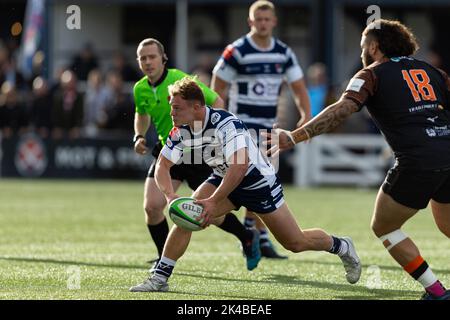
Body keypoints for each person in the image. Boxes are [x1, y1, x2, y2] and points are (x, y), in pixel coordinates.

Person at [266, 19, 450, 300]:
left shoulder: (370, 74)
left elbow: (342, 109)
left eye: (364, 46)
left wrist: (295, 136)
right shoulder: (433, 72)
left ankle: (437, 292)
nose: (362, 52)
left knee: (384, 227)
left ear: (374, 47)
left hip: (417, 159)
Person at [129, 77, 361, 292]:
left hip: (257, 183)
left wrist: (213, 201)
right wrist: (170, 196)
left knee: (295, 242)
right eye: (172, 107)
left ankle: (341, 245)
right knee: (189, 216)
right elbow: (163, 166)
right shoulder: (181, 129)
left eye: (177, 107)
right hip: (223, 176)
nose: (172, 112)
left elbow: (240, 168)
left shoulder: (226, 124)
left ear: (197, 107)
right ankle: (160, 277)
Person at [132, 38, 260, 272]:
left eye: (152, 57)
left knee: (206, 212)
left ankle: (246, 236)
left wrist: (213, 137)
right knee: (152, 207)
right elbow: (141, 114)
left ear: (163, 58)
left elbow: (216, 101)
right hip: (170, 150)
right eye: (143, 58)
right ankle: (164, 258)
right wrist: (138, 135)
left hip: (198, 154)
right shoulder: (139, 88)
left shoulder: (180, 81)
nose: (148, 62)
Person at [211, 0, 312, 259]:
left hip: (268, 129)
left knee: (263, 183)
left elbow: (298, 87)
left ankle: (257, 236)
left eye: (267, 19)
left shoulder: (283, 52)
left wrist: (306, 115)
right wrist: (217, 120)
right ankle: (253, 235)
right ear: (250, 22)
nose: (263, 23)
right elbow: (217, 88)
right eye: (259, 19)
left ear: (274, 22)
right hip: (241, 127)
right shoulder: (237, 51)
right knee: (250, 181)